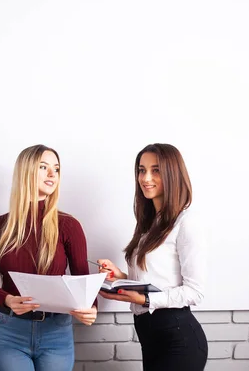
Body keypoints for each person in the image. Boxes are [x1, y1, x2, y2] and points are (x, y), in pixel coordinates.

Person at [0, 144, 98, 371]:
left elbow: (83, 280)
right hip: (10, 330)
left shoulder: (68, 226)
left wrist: (91, 308)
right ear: (26, 171)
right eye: (43, 167)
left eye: (56, 168)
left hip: (57, 331)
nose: (52, 174)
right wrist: (8, 300)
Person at [97, 143, 208, 371]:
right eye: (141, 170)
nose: (146, 178)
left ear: (172, 174)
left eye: (156, 170)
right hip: (150, 337)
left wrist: (145, 300)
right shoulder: (148, 224)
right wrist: (120, 276)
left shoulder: (186, 222)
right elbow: (157, 280)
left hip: (178, 338)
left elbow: (195, 292)